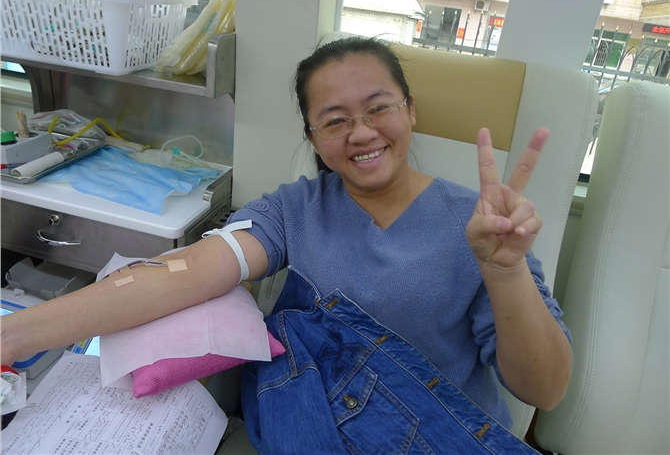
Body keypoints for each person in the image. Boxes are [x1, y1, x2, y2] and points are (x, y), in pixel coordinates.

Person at [1, 37, 572, 452]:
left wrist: (504, 273)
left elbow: (543, 389)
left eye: (379, 107)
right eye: (335, 120)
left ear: (410, 109)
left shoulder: (482, 227)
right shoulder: (294, 211)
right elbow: (186, 273)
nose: (362, 132)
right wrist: (17, 334)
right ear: (313, 138)